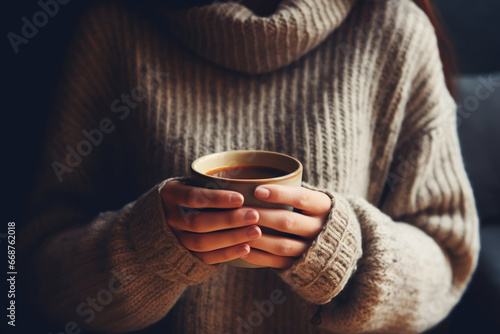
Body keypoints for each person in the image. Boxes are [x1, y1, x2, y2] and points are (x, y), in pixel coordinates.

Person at [19, 0, 480, 333]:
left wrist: (348, 253)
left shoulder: (393, 27)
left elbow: (448, 255)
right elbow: (29, 270)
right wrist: (146, 247)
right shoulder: (114, 27)